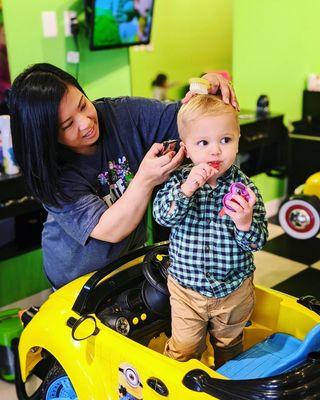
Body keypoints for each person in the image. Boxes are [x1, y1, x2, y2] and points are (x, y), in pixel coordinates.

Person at [9, 63, 237, 289]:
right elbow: (110, 230)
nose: (86, 123)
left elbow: (191, 122)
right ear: (47, 136)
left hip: (132, 261)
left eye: (82, 104)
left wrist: (206, 95)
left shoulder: (124, 115)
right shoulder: (50, 171)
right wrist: (145, 180)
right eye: (68, 124)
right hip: (77, 279)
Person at [153, 94, 268, 368]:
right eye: (203, 143)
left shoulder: (246, 190)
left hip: (233, 290)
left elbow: (258, 242)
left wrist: (245, 222)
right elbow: (162, 216)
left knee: (230, 347)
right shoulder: (179, 180)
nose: (215, 151)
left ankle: (228, 382)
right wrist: (186, 190)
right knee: (184, 348)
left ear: (238, 141)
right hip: (186, 289)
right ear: (187, 149)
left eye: (225, 140)